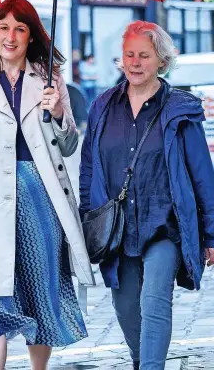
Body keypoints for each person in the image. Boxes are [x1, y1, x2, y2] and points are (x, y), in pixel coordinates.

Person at [0, 0, 94, 370]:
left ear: (31, 36)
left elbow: (71, 145)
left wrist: (58, 110)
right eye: (3, 28)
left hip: (40, 198)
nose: (11, 37)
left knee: (42, 292)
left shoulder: (49, 80)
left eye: (20, 29)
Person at [79, 20, 214, 370]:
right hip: (117, 228)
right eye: (129, 55)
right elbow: (89, 169)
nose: (135, 62)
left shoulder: (181, 110)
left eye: (144, 55)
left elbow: (203, 176)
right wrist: (85, 220)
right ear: (121, 60)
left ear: (161, 61)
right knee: (125, 308)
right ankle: (143, 361)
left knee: (154, 302)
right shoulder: (102, 107)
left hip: (165, 224)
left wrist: (211, 232)